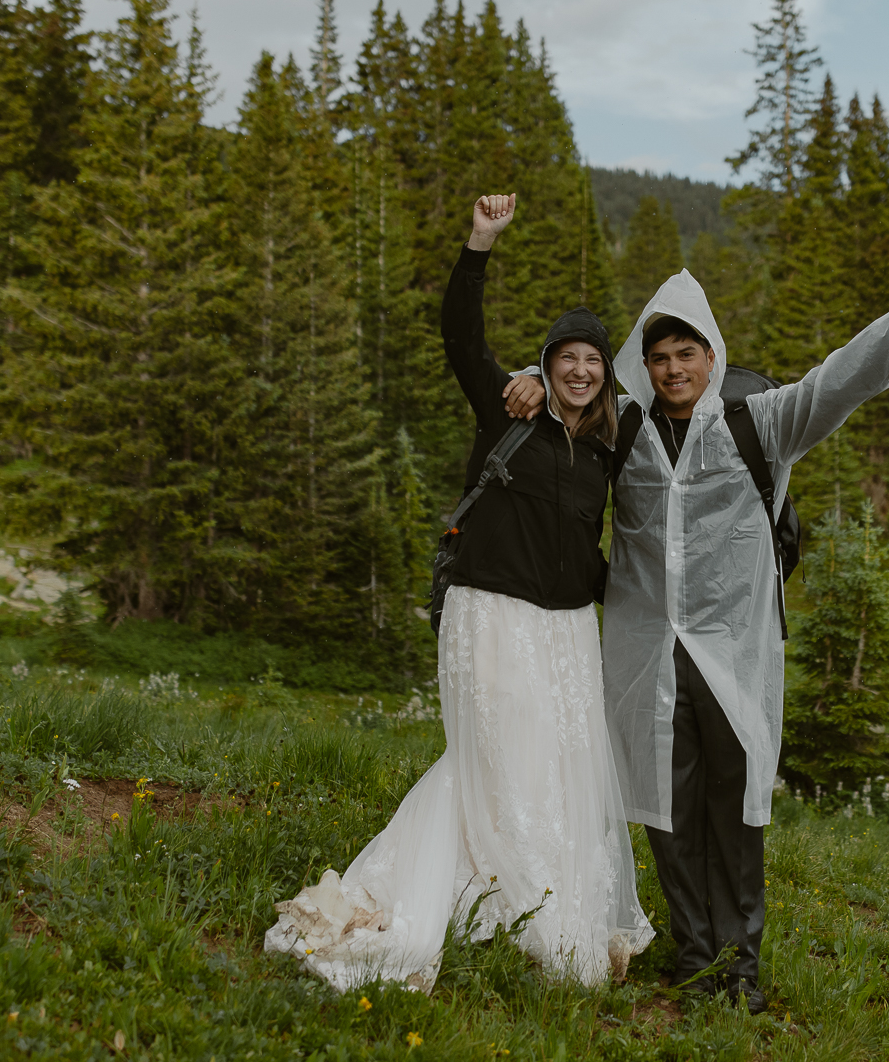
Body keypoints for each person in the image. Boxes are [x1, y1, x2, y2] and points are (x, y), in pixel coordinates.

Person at [505, 260, 889, 1011]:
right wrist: (529, 372)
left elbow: (839, 380)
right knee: (667, 811)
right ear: (643, 367)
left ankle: (738, 968)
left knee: (736, 811)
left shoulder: (761, 421)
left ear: (711, 356)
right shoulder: (628, 426)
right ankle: (692, 956)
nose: (674, 368)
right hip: (647, 653)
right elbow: (569, 396)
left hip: (733, 655)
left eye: (687, 353)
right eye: (659, 356)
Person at [265, 193, 653, 992]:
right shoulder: (505, 409)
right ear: (545, 366)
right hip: (494, 614)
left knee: (555, 766)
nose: (579, 371)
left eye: (593, 361)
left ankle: (517, 898)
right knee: (494, 758)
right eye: (565, 358)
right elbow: (458, 336)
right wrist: (480, 244)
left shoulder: (611, 446)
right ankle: (471, 899)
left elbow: (675, 424)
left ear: (606, 374)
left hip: (571, 627)